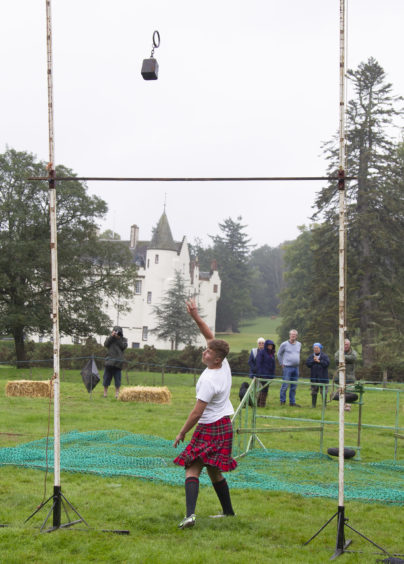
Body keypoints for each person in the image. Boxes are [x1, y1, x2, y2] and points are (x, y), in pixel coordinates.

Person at [174, 299, 237, 529]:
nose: (205, 351)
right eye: (207, 349)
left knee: (192, 468)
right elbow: (208, 333)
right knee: (214, 471)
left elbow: (196, 413)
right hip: (224, 426)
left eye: (209, 352)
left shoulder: (210, 381)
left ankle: (190, 515)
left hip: (210, 427)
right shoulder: (224, 364)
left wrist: (182, 433)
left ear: (217, 358)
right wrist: (196, 316)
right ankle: (228, 513)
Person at [277, 329, 302, 407]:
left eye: (294, 335)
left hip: (296, 368)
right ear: (289, 335)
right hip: (287, 367)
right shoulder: (284, 344)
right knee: (285, 385)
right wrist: (281, 363)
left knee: (294, 386)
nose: (293, 336)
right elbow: (279, 354)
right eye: (292, 334)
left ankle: (292, 402)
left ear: (296, 336)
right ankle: (282, 401)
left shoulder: (299, 344)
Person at [103, 325, 128, 398]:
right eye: (116, 332)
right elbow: (105, 344)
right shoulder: (110, 338)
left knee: (117, 380)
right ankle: (105, 394)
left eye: (119, 332)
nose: (117, 334)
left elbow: (123, 347)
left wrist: (118, 338)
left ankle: (117, 394)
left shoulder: (124, 340)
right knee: (106, 379)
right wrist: (112, 336)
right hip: (109, 362)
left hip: (118, 363)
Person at [334, 338, 358, 411]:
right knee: (340, 391)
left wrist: (343, 357)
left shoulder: (353, 352)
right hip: (339, 376)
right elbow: (336, 359)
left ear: (349, 345)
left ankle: (348, 406)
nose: (346, 346)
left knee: (349, 391)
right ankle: (341, 406)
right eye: (344, 344)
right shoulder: (338, 352)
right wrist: (347, 359)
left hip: (350, 377)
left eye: (347, 344)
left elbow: (353, 358)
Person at [305, 343, 330, 408]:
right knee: (314, 392)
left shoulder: (324, 356)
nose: (315, 349)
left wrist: (319, 361)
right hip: (314, 378)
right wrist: (314, 361)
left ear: (320, 349)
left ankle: (324, 406)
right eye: (314, 348)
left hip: (323, 378)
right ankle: (313, 405)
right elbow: (308, 364)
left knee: (323, 392)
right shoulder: (311, 356)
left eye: (317, 348)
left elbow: (327, 364)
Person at [255, 339, 276, 407]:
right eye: (269, 345)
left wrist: (273, 374)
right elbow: (258, 363)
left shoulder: (272, 353)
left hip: (269, 375)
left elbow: (273, 364)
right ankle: (262, 404)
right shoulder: (262, 352)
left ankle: (258, 403)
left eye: (272, 346)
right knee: (264, 389)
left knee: (264, 388)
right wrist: (260, 374)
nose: (270, 347)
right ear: (266, 345)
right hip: (263, 374)